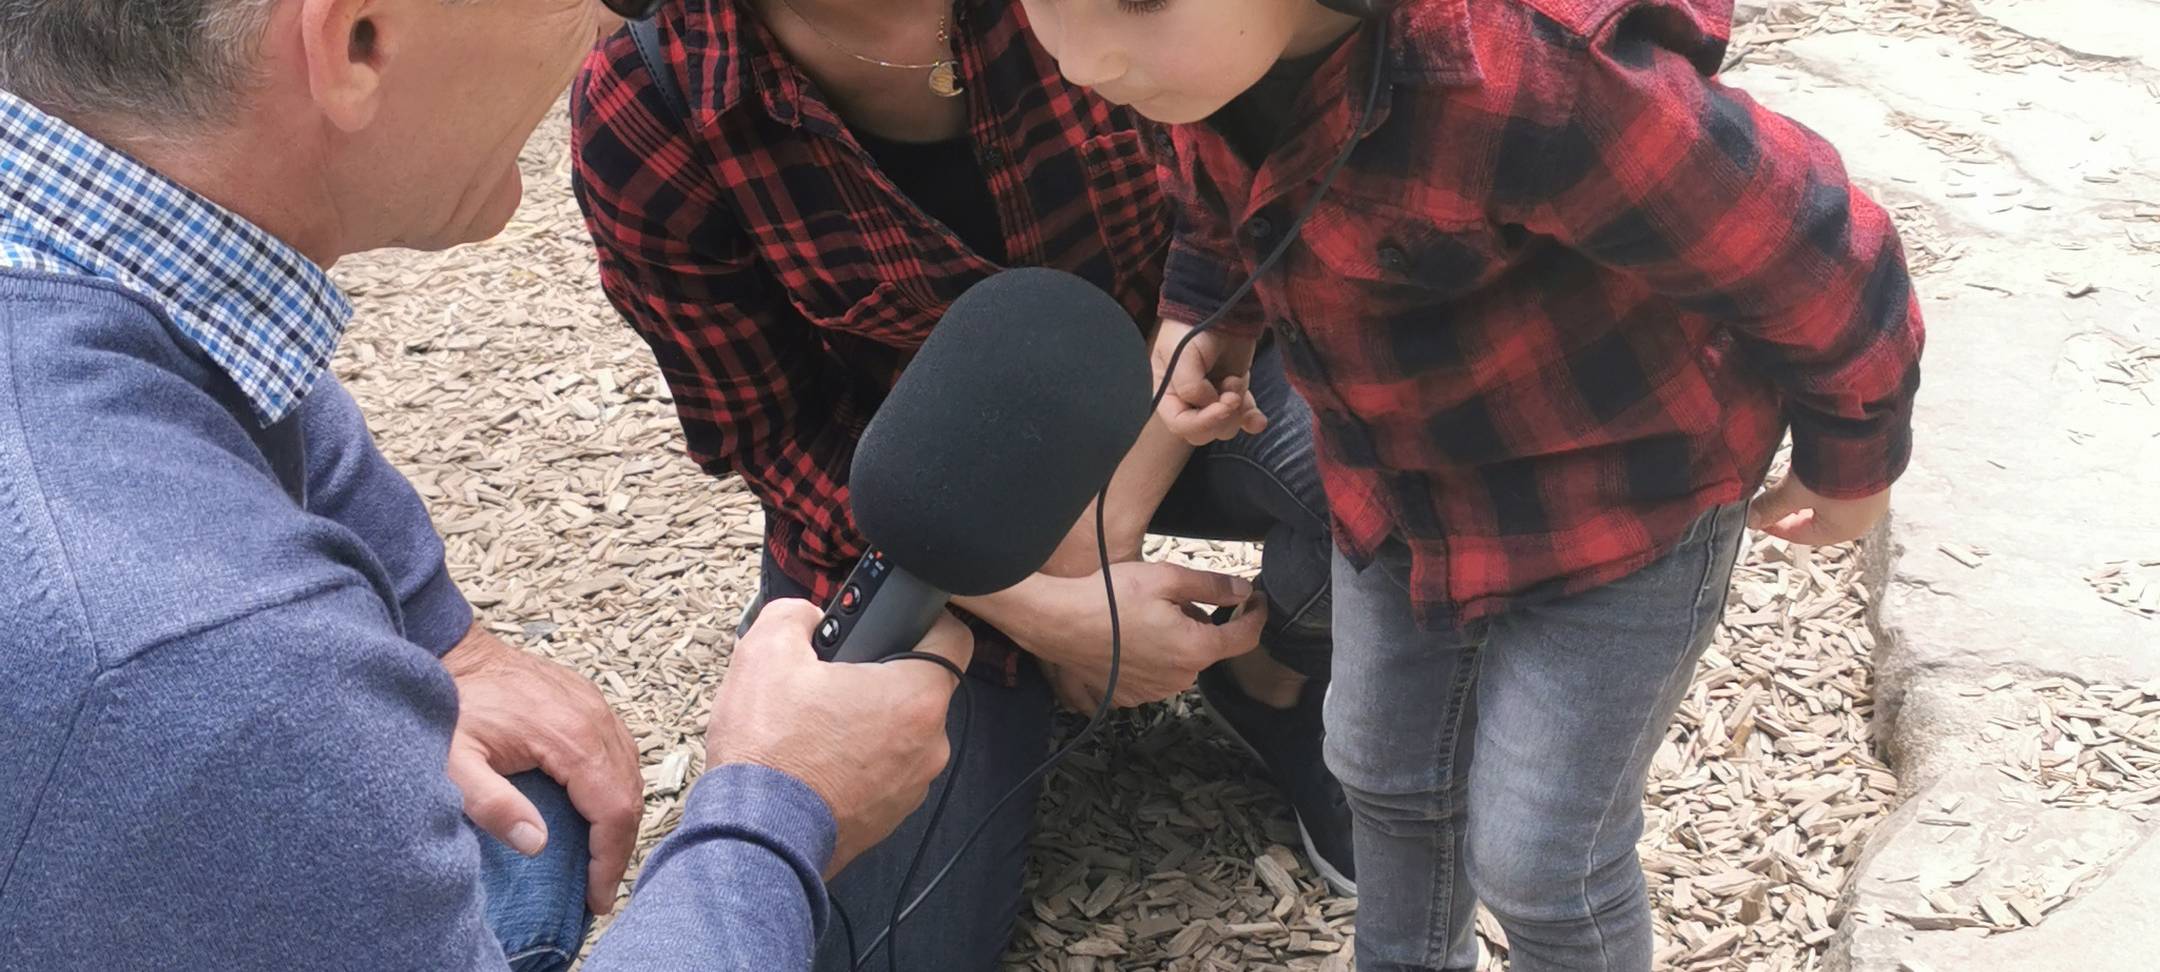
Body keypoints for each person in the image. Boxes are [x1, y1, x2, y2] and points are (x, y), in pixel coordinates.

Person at [0, 0, 970, 968]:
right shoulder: (207, 660)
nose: (606, 23)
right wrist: (774, 812)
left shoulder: (85, 245)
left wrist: (443, 639)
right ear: (358, 40)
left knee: (526, 823)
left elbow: (258, 375)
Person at [1016, 0, 1927, 969]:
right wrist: (1216, 314)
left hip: (1623, 508)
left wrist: (1851, 463)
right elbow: (1222, 188)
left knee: (1544, 859)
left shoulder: (1536, 82)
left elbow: (1822, 253)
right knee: (1380, 773)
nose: (1080, 58)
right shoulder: (1206, 67)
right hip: (1399, 486)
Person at [571, 1, 1355, 967]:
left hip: (1183, 391)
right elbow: (772, 434)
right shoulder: (652, 103)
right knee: (879, 938)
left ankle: (1271, 680)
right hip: (926, 513)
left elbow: (1269, 222)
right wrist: (1055, 613)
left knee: (1381, 452)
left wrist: (1106, 528)